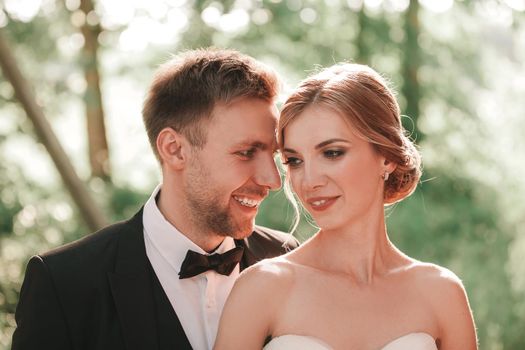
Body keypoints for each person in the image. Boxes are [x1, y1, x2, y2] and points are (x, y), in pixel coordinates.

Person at [12, 48, 299, 350]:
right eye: (246, 153)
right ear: (174, 149)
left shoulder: (287, 257)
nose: (273, 180)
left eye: (275, 155)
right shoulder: (65, 282)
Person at [214, 63, 478, 350]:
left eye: (332, 153)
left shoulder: (441, 292)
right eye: (295, 161)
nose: (309, 181)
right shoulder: (262, 288)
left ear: (386, 157)